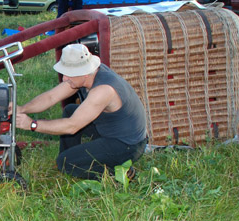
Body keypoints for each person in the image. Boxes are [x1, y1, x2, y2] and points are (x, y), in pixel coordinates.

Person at [14, 43, 147, 180]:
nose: (64, 78)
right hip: (111, 128)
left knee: (66, 163)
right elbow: (50, 97)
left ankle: (119, 173)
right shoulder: (87, 76)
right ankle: (69, 157)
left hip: (127, 145)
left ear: (84, 73)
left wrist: (32, 125)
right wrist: (21, 109)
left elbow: (72, 126)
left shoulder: (103, 90)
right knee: (70, 110)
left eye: (69, 74)